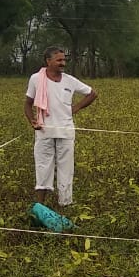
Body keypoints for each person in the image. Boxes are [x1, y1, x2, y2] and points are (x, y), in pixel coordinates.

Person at [24, 47, 97, 206]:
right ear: (48, 61)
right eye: (59, 60)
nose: (63, 63)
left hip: (66, 131)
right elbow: (28, 104)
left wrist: (75, 108)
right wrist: (32, 120)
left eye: (64, 60)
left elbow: (92, 93)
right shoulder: (36, 79)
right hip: (44, 131)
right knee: (43, 166)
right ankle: (40, 205)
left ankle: (65, 203)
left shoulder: (69, 80)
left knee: (66, 168)